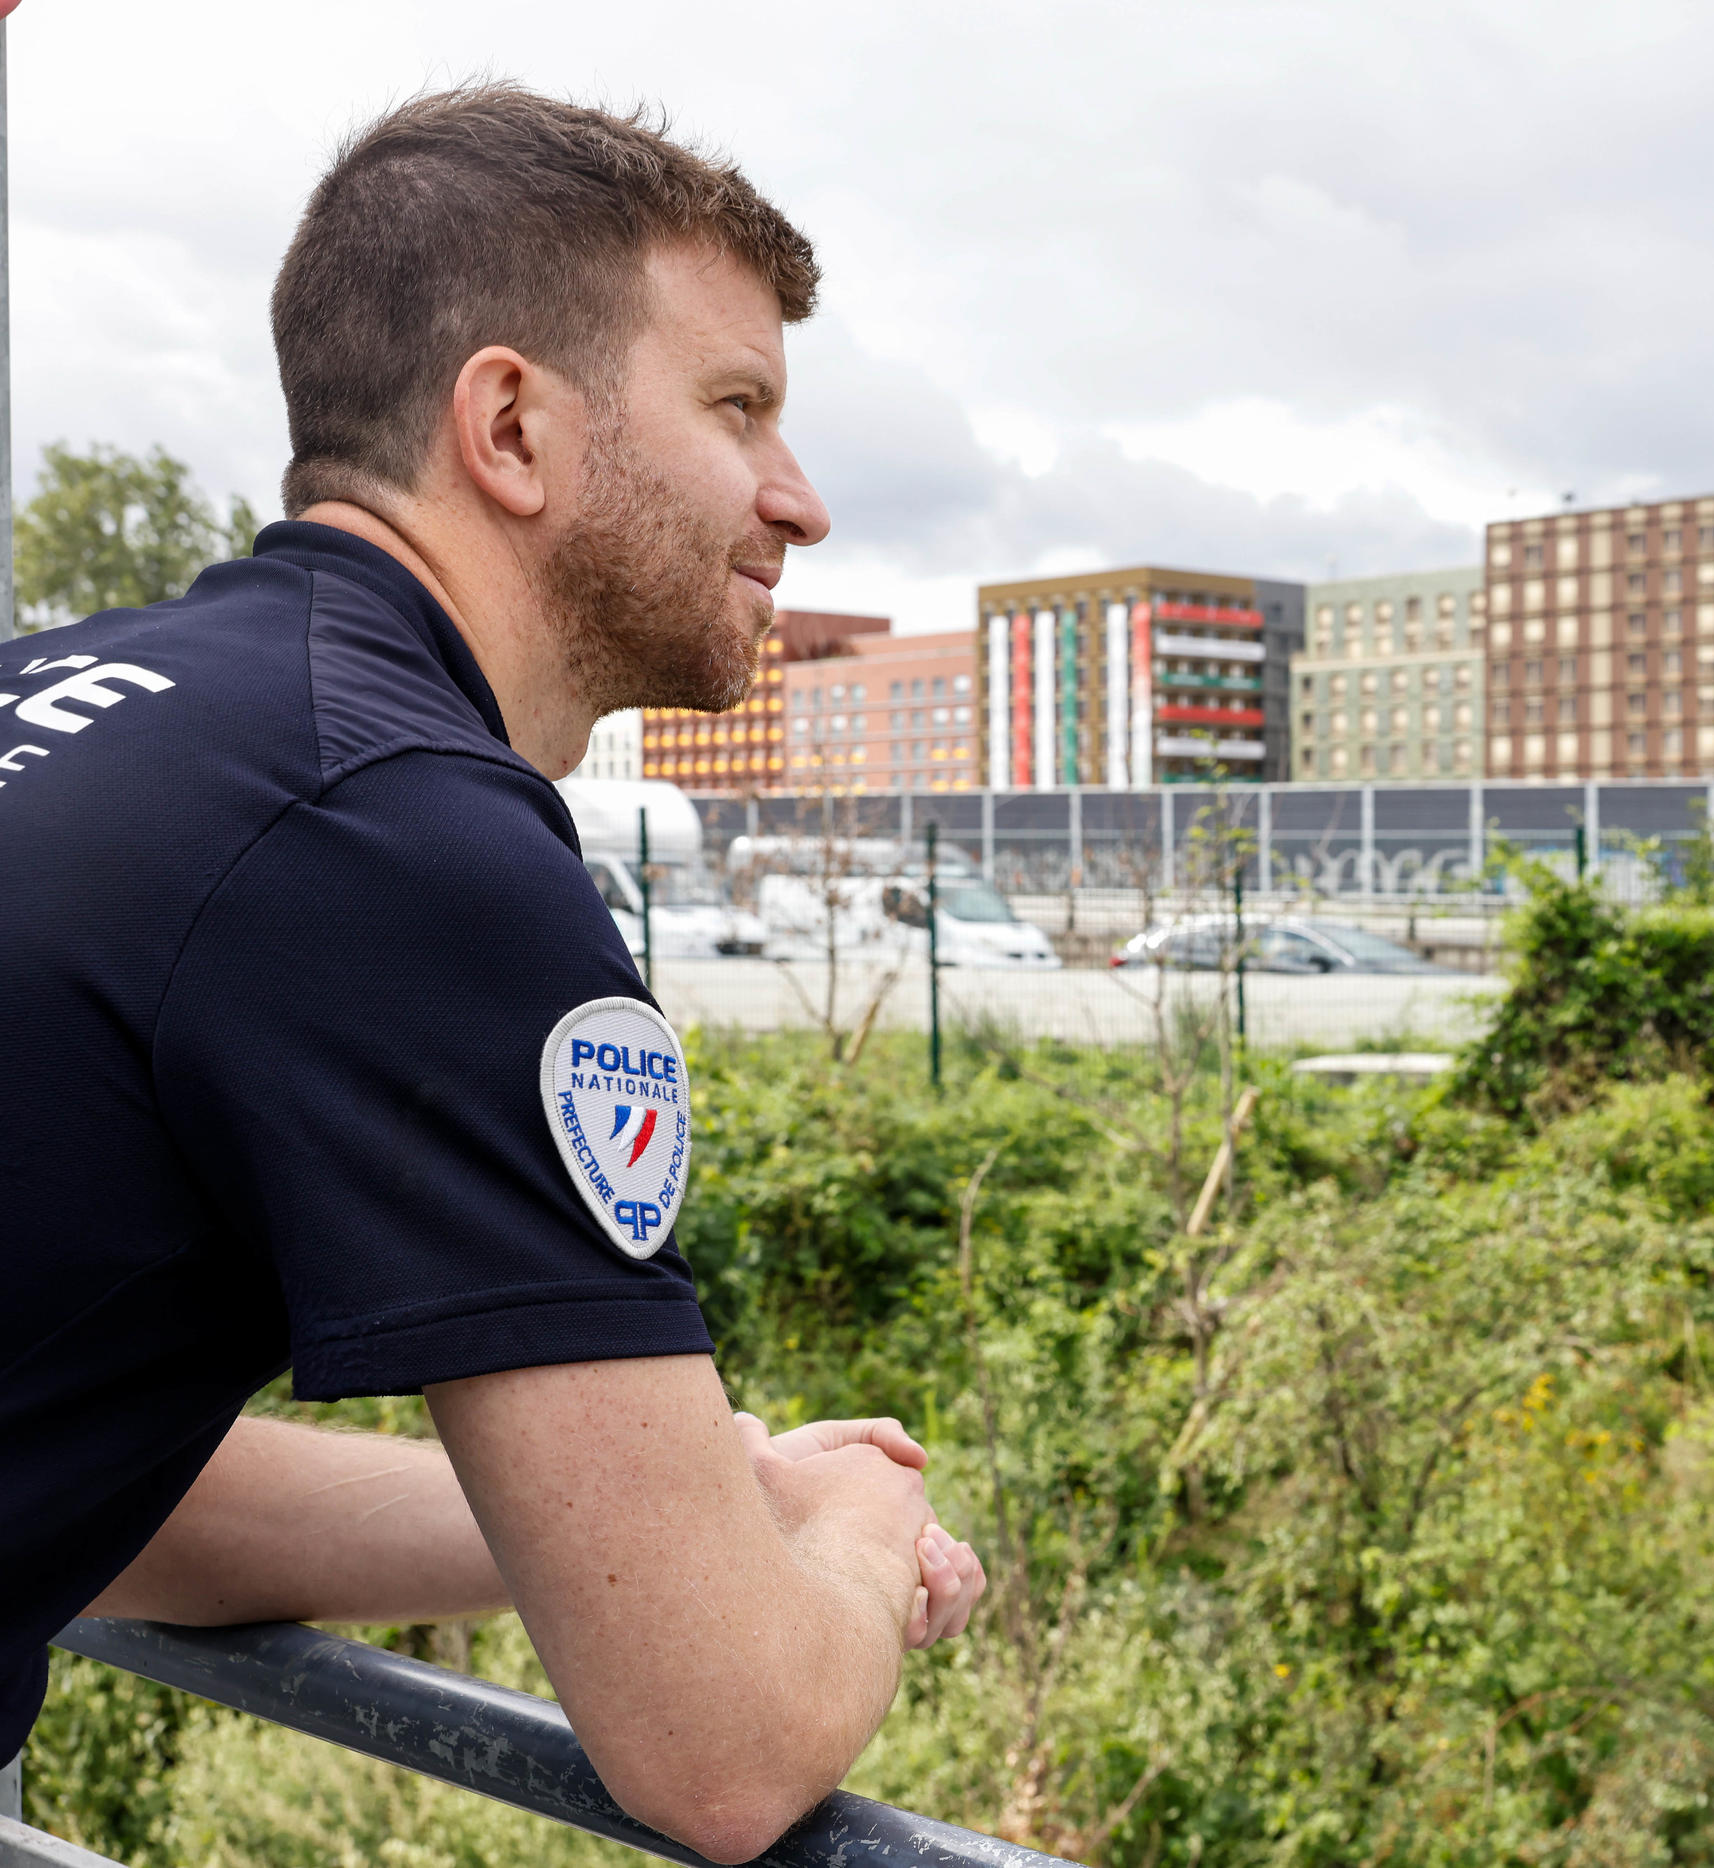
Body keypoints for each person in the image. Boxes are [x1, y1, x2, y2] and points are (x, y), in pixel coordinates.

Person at [0, 86, 983, 1863]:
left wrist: (709, 1496)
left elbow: (105, 1487)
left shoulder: (90, 709)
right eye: (737, 407)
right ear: (511, 426)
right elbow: (726, 1744)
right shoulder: (396, 830)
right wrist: (840, 1537)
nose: (802, 502)